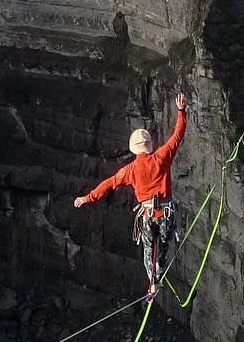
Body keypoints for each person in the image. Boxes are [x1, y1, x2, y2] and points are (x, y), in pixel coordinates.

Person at [74, 92, 188, 300]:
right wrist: (181, 111)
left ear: (134, 149)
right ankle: (158, 277)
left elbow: (109, 184)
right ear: (149, 145)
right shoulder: (162, 157)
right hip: (165, 213)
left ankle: (152, 283)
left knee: (148, 250)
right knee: (163, 247)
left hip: (147, 215)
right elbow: (177, 136)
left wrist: (87, 198)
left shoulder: (130, 170)